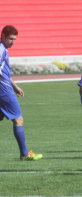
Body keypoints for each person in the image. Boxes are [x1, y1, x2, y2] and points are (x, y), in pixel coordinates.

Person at [0, 25, 43, 160]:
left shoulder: (3, 49)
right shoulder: (1, 50)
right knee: (18, 119)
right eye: (10, 39)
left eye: (15, 39)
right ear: (3, 37)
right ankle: (24, 154)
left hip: (6, 87)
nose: (13, 42)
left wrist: (15, 86)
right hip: (3, 91)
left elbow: (3, 72)